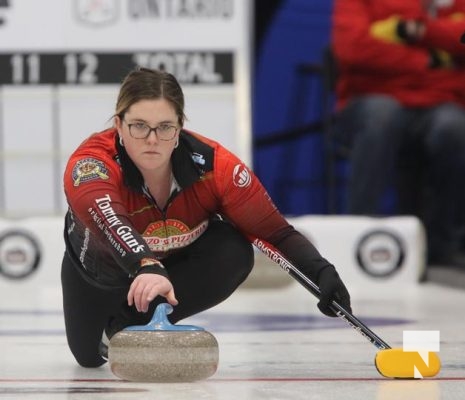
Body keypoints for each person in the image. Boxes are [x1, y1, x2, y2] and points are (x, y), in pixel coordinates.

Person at [61, 67, 352, 368]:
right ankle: (119, 322)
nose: (151, 139)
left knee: (233, 250)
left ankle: (129, 324)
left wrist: (322, 272)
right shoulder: (91, 163)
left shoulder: (216, 167)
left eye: (164, 127)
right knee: (89, 357)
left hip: (168, 274)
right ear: (119, 126)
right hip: (100, 277)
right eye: (139, 126)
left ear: (179, 129)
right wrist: (145, 264)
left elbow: (273, 231)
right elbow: (110, 220)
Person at [331, 0, 465, 267]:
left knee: (455, 127)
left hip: (436, 103)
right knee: (383, 115)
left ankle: (443, 246)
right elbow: (353, 50)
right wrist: (431, 60)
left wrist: (420, 31)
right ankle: (358, 235)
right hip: (370, 100)